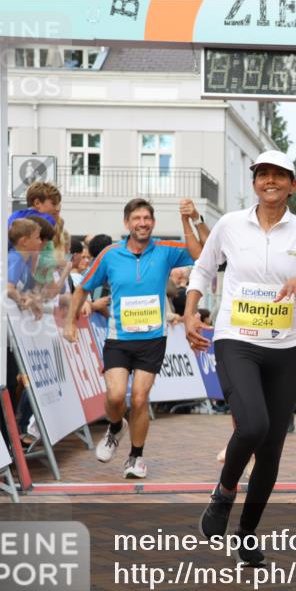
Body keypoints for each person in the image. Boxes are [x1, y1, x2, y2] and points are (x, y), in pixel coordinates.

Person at [184, 150, 296, 567]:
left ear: (292, 184)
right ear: (254, 182)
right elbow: (202, 269)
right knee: (253, 425)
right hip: (237, 340)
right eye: (262, 174)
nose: (270, 181)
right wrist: (193, 309)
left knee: (270, 450)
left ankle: (246, 534)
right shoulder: (230, 225)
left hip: (285, 346)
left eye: (279, 176)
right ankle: (224, 491)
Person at [64, 198, 193, 479]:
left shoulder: (165, 251)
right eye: (137, 218)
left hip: (152, 338)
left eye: (147, 218)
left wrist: (187, 219)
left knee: (139, 398)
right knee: (114, 396)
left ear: (153, 223)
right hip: (119, 337)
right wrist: (70, 322)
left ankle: (136, 457)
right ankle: (115, 427)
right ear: (127, 223)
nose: (142, 223)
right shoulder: (110, 254)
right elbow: (82, 288)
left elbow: (199, 252)